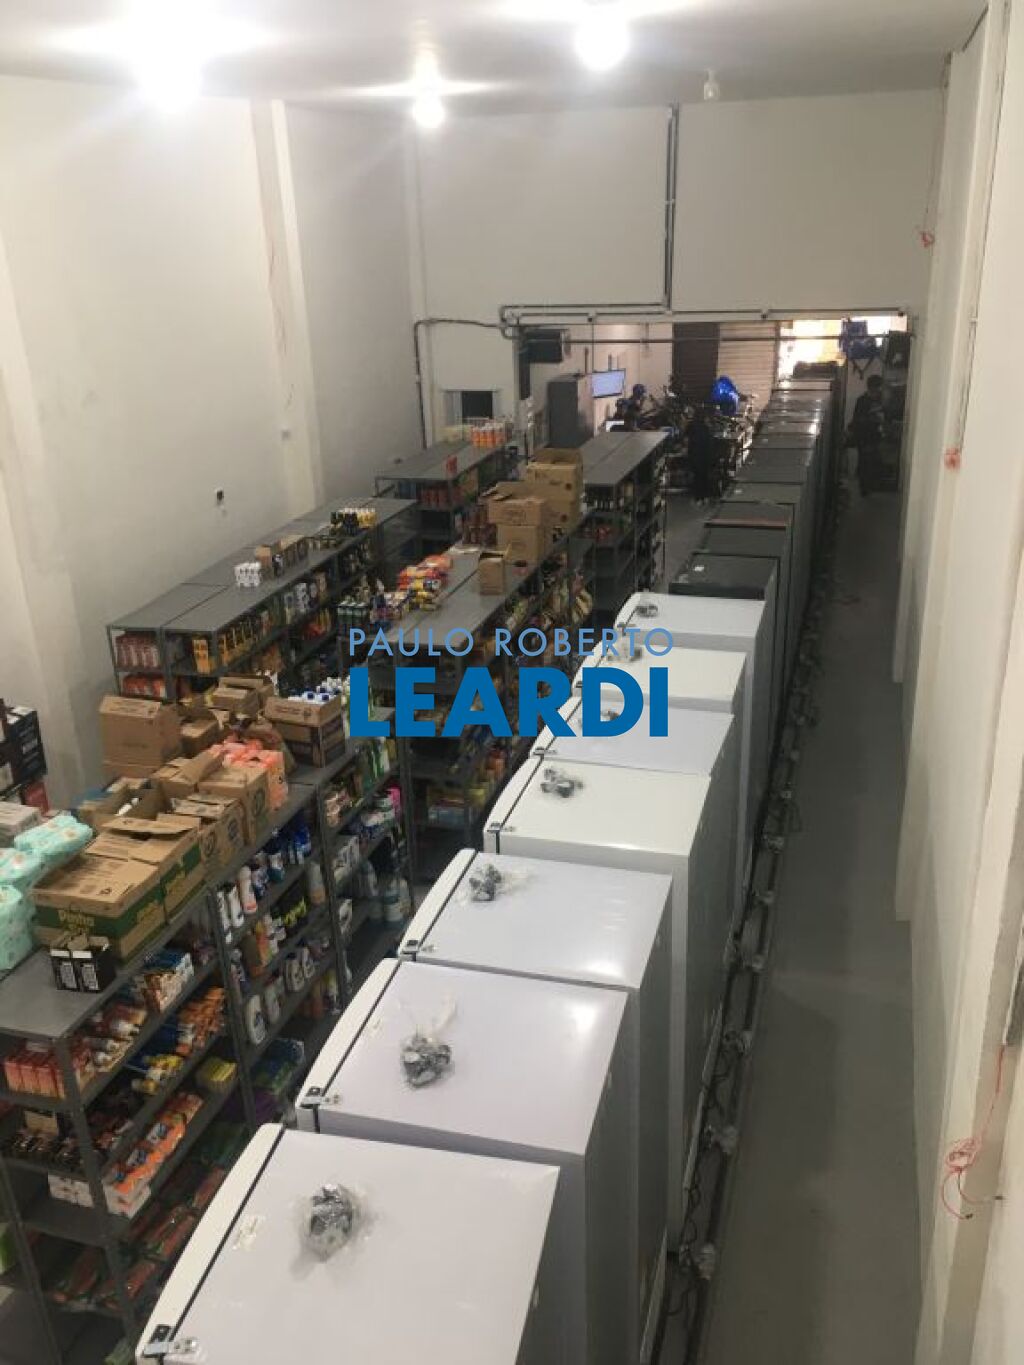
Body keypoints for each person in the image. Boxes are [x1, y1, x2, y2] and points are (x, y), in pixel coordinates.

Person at [849, 375, 886, 495]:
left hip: (874, 435)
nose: (880, 390)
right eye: (878, 387)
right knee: (865, 461)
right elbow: (857, 419)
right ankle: (864, 486)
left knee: (872, 460)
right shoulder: (862, 401)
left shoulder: (879, 400)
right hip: (864, 436)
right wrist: (872, 418)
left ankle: (869, 484)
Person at [687, 405, 717, 503]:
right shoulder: (706, 427)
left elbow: (686, 439)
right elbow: (710, 442)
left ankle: (699, 497)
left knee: (697, 477)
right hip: (705, 456)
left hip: (696, 455)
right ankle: (704, 496)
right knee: (704, 476)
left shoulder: (692, 425)